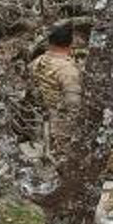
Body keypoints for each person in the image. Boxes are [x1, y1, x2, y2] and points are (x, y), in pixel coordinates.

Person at [29, 21, 82, 153]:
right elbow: (73, 102)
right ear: (71, 42)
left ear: (49, 41)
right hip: (62, 126)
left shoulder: (37, 62)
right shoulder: (67, 69)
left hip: (41, 121)